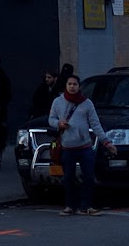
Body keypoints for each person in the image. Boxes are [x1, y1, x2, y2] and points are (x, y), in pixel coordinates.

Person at [48, 73, 116, 216]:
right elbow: (51, 119)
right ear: (66, 86)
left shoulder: (87, 103)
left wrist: (106, 141)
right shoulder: (58, 102)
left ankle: (86, 206)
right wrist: (58, 123)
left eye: (75, 84)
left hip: (85, 146)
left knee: (89, 176)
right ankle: (70, 206)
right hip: (67, 147)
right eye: (70, 84)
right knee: (68, 178)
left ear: (79, 87)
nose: (72, 87)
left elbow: (95, 124)